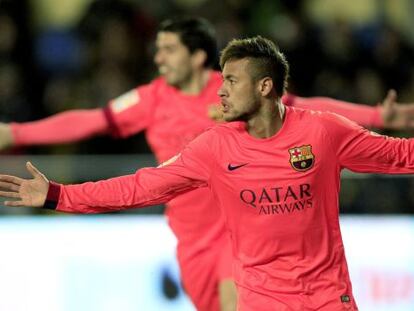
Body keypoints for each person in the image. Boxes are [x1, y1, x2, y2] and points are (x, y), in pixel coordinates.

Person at [1, 18, 414, 311]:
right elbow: (140, 182)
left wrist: (377, 116)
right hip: (193, 240)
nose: (221, 92)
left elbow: (375, 144)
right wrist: (55, 191)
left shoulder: (317, 131)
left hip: (263, 260)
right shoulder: (168, 111)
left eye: (168, 48)